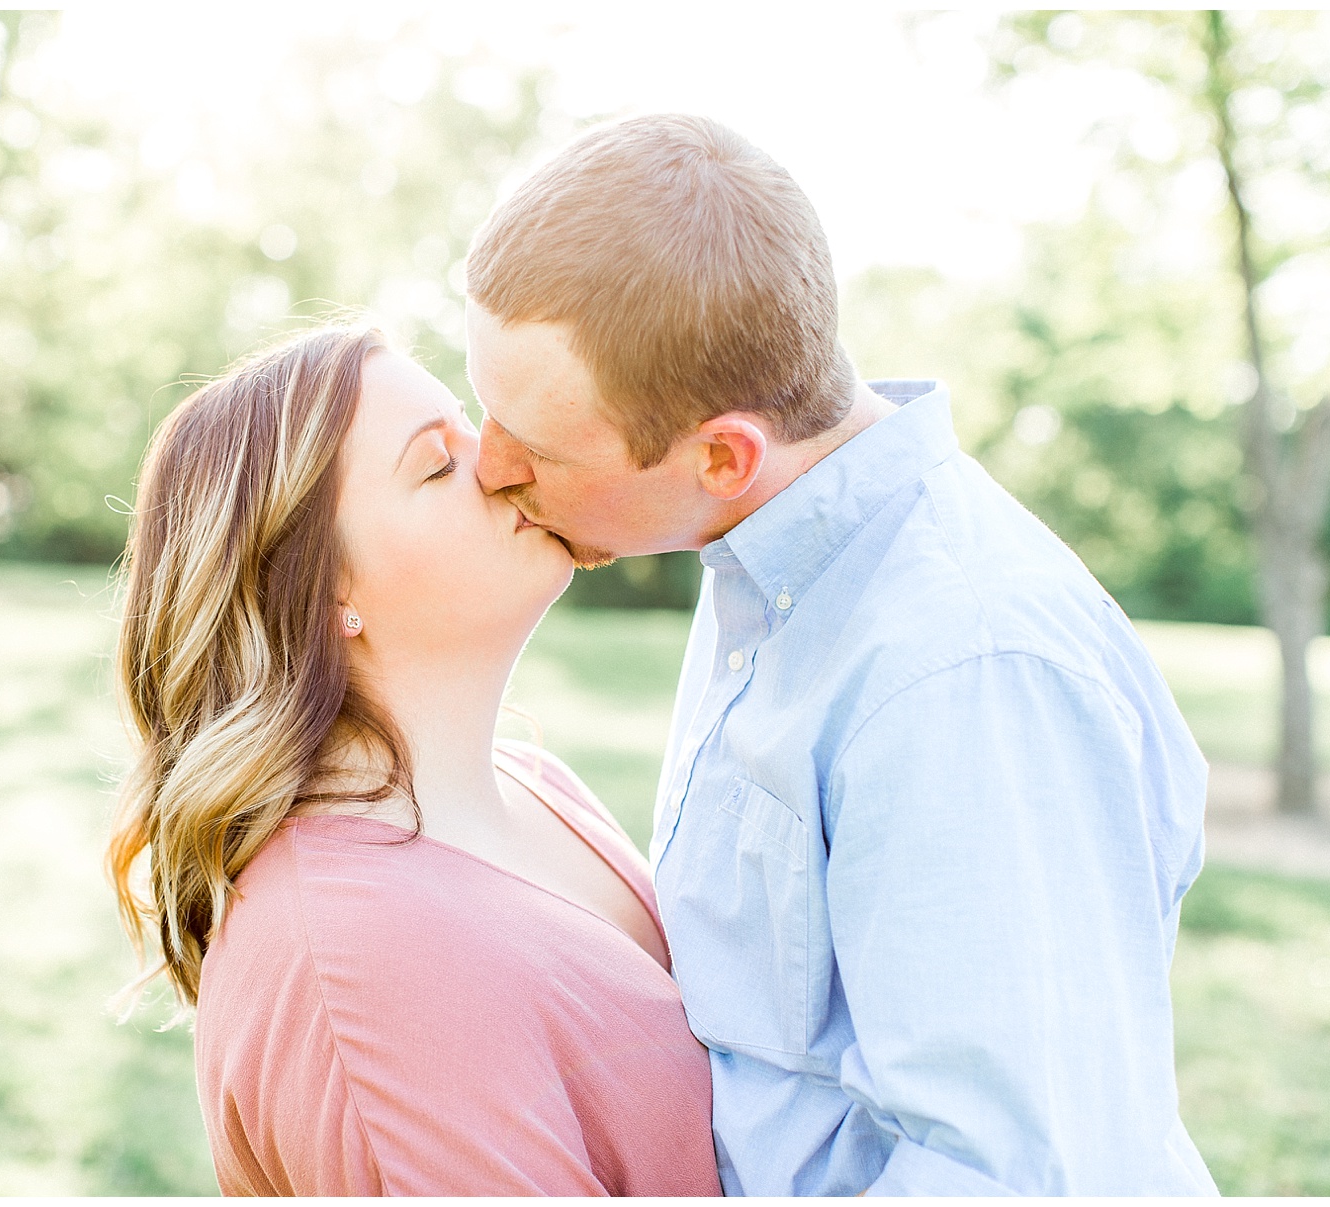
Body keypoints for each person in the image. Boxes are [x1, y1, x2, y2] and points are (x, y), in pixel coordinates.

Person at [463, 113, 1219, 1196]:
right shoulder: (767, 570)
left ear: (724, 455)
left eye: (533, 445)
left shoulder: (960, 671)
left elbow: (1001, 1175)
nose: (488, 466)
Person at [105, 326, 721, 1197]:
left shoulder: (537, 784)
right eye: (437, 464)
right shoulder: (358, 957)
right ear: (322, 591)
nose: (503, 459)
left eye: (470, 422)